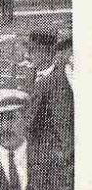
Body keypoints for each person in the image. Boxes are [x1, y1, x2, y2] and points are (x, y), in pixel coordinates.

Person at [24, 27, 73, 157]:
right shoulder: (30, 77)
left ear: (48, 52)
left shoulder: (62, 79)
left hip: (54, 151)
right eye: (29, 49)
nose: (28, 55)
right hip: (34, 147)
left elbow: (63, 122)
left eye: (33, 50)